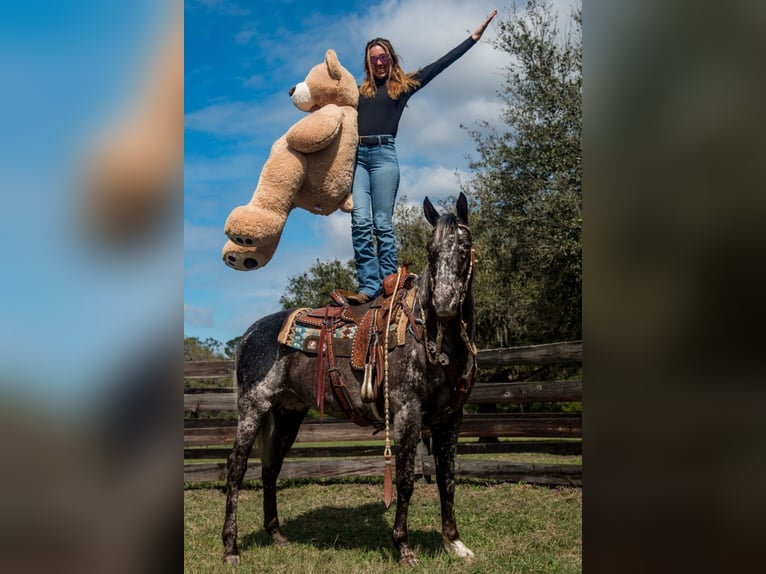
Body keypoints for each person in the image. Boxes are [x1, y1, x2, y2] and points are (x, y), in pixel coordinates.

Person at [346, 10, 497, 305]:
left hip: (383, 157)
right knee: (360, 222)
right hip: (358, 159)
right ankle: (368, 283)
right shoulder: (357, 92)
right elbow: (328, 102)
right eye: (373, 57)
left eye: (383, 56)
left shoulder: (401, 86)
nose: (379, 61)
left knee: (381, 222)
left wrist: (473, 39)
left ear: (391, 59)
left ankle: (389, 281)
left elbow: (437, 67)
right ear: (368, 62)